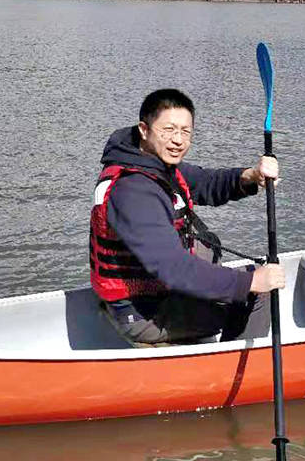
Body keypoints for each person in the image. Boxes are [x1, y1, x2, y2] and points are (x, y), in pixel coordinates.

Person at [90, 88, 286, 347]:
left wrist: (250, 176)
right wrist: (251, 281)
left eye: (185, 131)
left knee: (217, 261)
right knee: (259, 293)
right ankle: (231, 374)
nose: (178, 140)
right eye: (168, 130)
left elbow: (207, 182)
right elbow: (175, 269)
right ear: (144, 130)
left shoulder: (154, 166)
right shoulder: (134, 192)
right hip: (144, 313)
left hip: (153, 297)